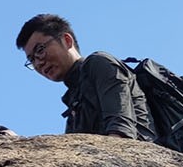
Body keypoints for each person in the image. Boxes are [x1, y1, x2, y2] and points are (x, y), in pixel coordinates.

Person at [14, 12, 156, 142]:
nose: (38, 62)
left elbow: (121, 131)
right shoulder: (73, 97)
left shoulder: (99, 63)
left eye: (40, 50)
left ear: (66, 40)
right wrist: (19, 142)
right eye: (32, 59)